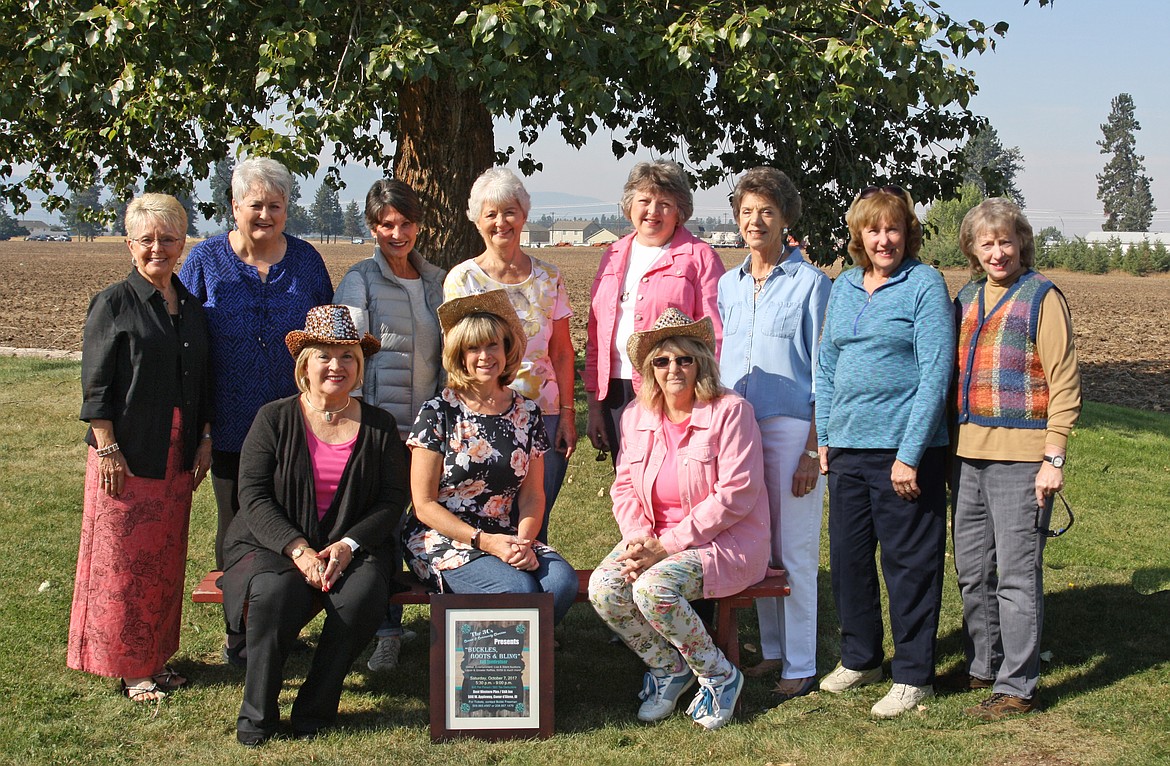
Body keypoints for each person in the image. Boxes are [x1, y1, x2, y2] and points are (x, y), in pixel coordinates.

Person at [221, 305, 408, 746]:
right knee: (272, 595)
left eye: (347, 356)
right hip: (275, 542)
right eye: (324, 355)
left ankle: (315, 707)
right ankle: (257, 714)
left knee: (359, 599)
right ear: (305, 364)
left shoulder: (379, 426)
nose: (336, 365)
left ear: (359, 366)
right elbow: (253, 496)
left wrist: (348, 544)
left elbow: (391, 500)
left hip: (355, 545)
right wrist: (298, 549)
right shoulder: (274, 418)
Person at [179, 157, 334, 665]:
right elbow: (187, 347)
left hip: (298, 426)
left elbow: (325, 343)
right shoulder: (203, 262)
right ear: (233, 207)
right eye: (255, 205)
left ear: (287, 209)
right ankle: (239, 635)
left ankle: (285, 623)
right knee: (238, 527)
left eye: (276, 205)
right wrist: (200, 427)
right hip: (228, 424)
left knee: (298, 524)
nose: (265, 214)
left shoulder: (308, 263)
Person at [589, 308, 770, 731]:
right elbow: (625, 487)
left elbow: (736, 495)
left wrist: (664, 548)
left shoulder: (731, 411)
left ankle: (719, 675)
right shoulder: (637, 415)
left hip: (725, 540)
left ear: (701, 361)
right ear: (650, 369)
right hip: (653, 536)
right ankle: (669, 667)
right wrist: (639, 539)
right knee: (604, 588)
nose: (674, 368)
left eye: (684, 359)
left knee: (653, 588)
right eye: (662, 360)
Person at [814, 185, 955, 719]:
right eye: (872, 229)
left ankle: (914, 674)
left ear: (908, 233)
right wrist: (825, 437)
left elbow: (935, 372)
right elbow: (826, 366)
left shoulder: (924, 284)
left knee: (909, 564)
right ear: (859, 236)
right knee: (850, 561)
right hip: (847, 447)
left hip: (903, 450)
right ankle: (861, 657)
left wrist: (910, 454)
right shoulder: (846, 286)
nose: (883, 239)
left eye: (893, 228)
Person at [69, 193, 213, 703]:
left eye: (169, 239)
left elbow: (202, 381)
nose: (159, 248)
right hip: (127, 455)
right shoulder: (113, 303)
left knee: (166, 559)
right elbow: (97, 386)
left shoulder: (192, 308)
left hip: (176, 455)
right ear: (130, 245)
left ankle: (157, 656)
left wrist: (204, 441)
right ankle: (129, 667)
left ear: (182, 243)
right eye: (147, 239)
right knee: (125, 563)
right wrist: (107, 448)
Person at [951, 199, 1081, 720]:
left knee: (1017, 574)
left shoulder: (1042, 298)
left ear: (1021, 242)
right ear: (973, 249)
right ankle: (984, 663)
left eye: (1006, 241)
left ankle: (1017, 685)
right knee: (971, 569)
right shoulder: (965, 297)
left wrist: (1054, 455)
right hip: (964, 455)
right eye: (987, 243)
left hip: (1023, 459)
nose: (998, 251)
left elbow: (1065, 381)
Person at [717, 168, 831, 702]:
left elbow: (826, 374)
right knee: (756, 543)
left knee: (795, 547)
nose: (755, 221)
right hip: (738, 429)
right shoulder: (728, 284)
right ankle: (773, 651)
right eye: (746, 212)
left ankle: (803, 662)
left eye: (766, 211)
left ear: (786, 219)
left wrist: (814, 447)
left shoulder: (812, 284)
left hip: (791, 429)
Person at [402, 290, 578, 625]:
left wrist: (525, 541)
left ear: (507, 349)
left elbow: (533, 495)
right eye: (473, 347)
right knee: (518, 589)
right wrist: (485, 542)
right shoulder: (438, 412)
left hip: (505, 531)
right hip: (442, 536)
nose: (484, 356)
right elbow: (423, 504)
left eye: (492, 345)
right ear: (459, 355)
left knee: (560, 583)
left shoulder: (527, 411)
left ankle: (516, 658)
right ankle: (497, 663)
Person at [333, 179, 446, 673]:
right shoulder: (359, 280)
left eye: (404, 223)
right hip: (381, 429)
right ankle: (386, 631)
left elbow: (449, 357)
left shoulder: (438, 281)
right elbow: (346, 357)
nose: (396, 233)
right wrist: (362, 423)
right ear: (373, 227)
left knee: (429, 526)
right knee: (380, 529)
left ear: (418, 224)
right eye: (385, 224)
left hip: (431, 429)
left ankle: (448, 621)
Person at [443, 168, 575, 541]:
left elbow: (563, 353)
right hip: (483, 415)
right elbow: (455, 356)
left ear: (524, 215)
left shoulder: (550, 277)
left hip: (543, 415)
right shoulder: (462, 280)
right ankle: (490, 591)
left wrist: (567, 413)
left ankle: (537, 593)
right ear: (477, 221)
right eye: (491, 214)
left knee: (535, 516)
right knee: (485, 515)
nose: (501, 222)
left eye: (510, 212)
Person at [585, 160, 725, 465]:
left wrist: (705, 396)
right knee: (627, 482)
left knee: (672, 479)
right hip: (616, 392)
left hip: (674, 388)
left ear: (680, 211)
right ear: (629, 205)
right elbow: (596, 333)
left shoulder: (699, 257)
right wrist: (595, 404)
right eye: (644, 201)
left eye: (665, 204)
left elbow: (717, 335)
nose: (652, 211)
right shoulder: (612, 254)